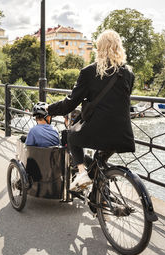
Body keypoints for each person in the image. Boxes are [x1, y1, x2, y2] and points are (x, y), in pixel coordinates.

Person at [47, 29, 135, 191]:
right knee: (99, 162)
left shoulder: (89, 72)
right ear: (118, 47)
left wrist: (49, 109)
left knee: (71, 135)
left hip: (98, 128)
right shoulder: (128, 73)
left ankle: (81, 173)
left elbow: (70, 104)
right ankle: (99, 200)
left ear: (99, 48)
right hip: (123, 132)